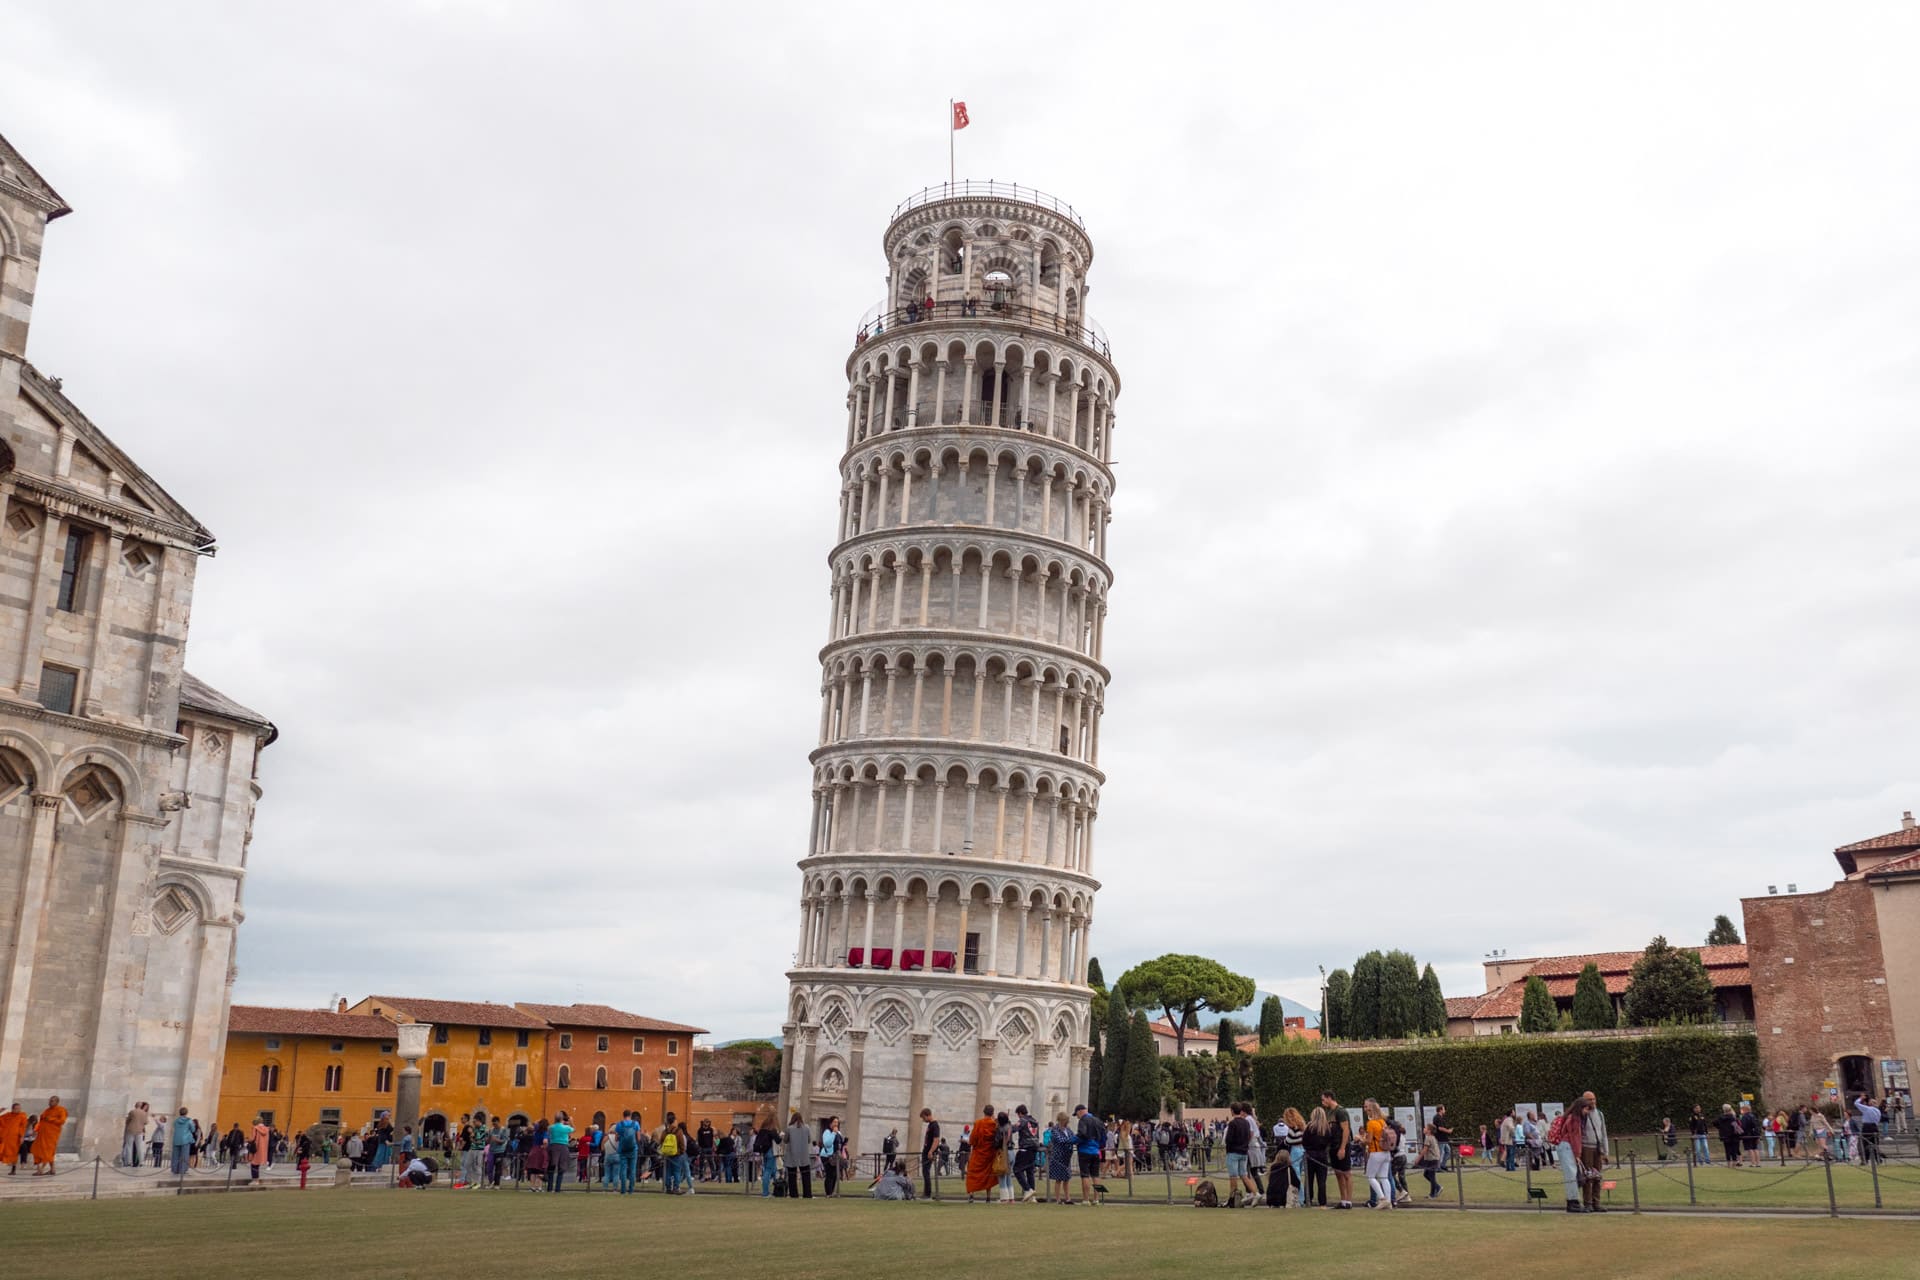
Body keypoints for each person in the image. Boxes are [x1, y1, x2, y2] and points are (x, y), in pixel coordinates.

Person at [1548, 1099, 1585, 1213]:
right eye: (1586, 1109)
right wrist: (1577, 1154)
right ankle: (1573, 1202)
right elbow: (1575, 1137)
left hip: (1564, 1146)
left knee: (1570, 1176)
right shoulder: (1575, 1119)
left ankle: (1572, 1201)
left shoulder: (1568, 1117)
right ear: (1581, 1108)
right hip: (1568, 1146)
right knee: (1571, 1176)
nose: (1587, 1112)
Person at [1321, 1093, 1353, 1208]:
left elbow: (1346, 1130)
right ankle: (1343, 1200)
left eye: (1323, 1099)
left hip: (1342, 1145)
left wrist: (1343, 1148)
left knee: (1346, 1173)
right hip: (1333, 1146)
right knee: (1338, 1173)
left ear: (1329, 1098)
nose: (1322, 1102)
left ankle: (1348, 1202)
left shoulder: (1341, 1111)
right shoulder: (1329, 1112)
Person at [1578, 1091, 1609, 1213]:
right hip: (1586, 1148)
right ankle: (1588, 1203)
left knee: (1597, 1176)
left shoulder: (1600, 1114)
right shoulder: (1582, 1114)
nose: (1592, 1102)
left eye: (1594, 1099)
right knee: (1588, 1177)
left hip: (1598, 1148)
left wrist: (1605, 1151)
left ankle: (1597, 1202)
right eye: (1589, 1099)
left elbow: (1604, 1133)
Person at [1223, 1101, 1257, 1208]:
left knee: (1233, 1176)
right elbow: (1249, 1135)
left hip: (1233, 1152)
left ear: (1232, 1111)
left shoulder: (1232, 1124)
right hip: (1244, 1151)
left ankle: (1233, 1198)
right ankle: (1256, 1193)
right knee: (1244, 1174)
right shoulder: (1246, 1122)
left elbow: (1229, 1139)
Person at [1361, 1100, 1394, 1210]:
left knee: (1370, 1177)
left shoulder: (1371, 1123)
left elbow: (1369, 1140)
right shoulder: (1382, 1122)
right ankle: (1388, 1201)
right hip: (1386, 1152)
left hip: (1376, 1152)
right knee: (1384, 1177)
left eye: (1366, 1108)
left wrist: (1360, 1139)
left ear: (1370, 1110)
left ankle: (1382, 1198)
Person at [965, 1104, 998, 1203]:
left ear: (984, 1112)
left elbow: (972, 1139)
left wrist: (971, 1143)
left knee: (972, 1173)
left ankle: (971, 1195)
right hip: (989, 1154)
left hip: (978, 1153)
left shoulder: (978, 1123)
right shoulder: (994, 1125)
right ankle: (988, 1197)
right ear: (992, 1113)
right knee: (988, 1174)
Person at [1073, 1103, 1105, 1206]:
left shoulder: (1083, 1120)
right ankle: (1097, 1199)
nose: (1077, 1117)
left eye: (1077, 1114)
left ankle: (1086, 1199)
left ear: (1080, 1111)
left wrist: (1073, 1140)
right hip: (1096, 1151)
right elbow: (1103, 1136)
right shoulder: (1098, 1120)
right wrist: (1099, 1146)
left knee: (1085, 1175)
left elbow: (1082, 1134)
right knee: (1096, 1176)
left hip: (1084, 1150)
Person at [30, 1096, 66, 1175]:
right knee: (36, 1150)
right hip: (42, 1134)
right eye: (50, 1101)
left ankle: (41, 1170)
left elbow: (62, 1121)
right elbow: (41, 1121)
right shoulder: (46, 1110)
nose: (50, 1102)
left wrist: (51, 1119)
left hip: (51, 1135)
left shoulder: (61, 1110)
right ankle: (52, 1169)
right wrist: (35, 1130)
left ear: (57, 1102)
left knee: (47, 1152)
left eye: (52, 1101)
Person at [1045, 1111, 1075, 1204]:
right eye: (1066, 1120)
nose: (1067, 1122)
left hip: (1067, 1157)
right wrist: (1071, 1140)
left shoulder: (1068, 1129)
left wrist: (1072, 1140)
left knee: (1066, 1179)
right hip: (1058, 1157)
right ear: (1061, 1120)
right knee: (1058, 1179)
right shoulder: (1054, 1130)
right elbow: (1060, 1140)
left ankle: (1067, 1198)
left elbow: (1073, 1137)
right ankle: (1058, 1199)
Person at [1011, 1104, 1039, 1203]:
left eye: (1018, 1115)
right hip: (1034, 1148)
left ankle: (1027, 1190)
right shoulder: (1035, 1121)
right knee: (1030, 1171)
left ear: (1020, 1113)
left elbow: (1014, 1129)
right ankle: (1032, 1197)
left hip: (1025, 1147)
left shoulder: (1023, 1120)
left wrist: (1008, 1125)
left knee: (1017, 1169)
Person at [784, 1111, 813, 1200]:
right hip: (803, 1154)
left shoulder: (789, 1128)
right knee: (806, 1176)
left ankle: (794, 1194)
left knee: (792, 1176)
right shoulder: (807, 1128)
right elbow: (809, 1140)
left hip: (792, 1154)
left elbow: (785, 1140)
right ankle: (807, 1194)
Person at [546, 1112, 574, 1193]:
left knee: (551, 1167)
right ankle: (558, 1188)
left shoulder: (551, 1127)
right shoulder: (566, 1128)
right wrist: (571, 1122)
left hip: (553, 1146)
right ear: (562, 1119)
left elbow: (549, 1132)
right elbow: (573, 1129)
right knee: (561, 1167)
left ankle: (550, 1187)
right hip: (563, 1146)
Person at [917, 1107, 941, 1199]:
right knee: (925, 1172)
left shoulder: (935, 1125)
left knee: (926, 1172)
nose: (923, 1120)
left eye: (923, 1118)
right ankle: (926, 1192)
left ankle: (927, 1193)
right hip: (926, 1151)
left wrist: (931, 1152)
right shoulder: (930, 1125)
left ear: (927, 1115)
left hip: (929, 1152)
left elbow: (936, 1140)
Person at [1852, 1095, 1883, 1165]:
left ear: (1870, 1103)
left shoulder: (1867, 1109)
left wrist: (1861, 1098)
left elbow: (1856, 1103)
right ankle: (1878, 1159)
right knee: (1875, 1144)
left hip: (1867, 1127)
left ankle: (1865, 1160)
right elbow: (1878, 1120)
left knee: (1864, 1144)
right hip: (1875, 1127)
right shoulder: (1878, 1111)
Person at [1417, 1123, 1444, 1198]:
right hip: (1432, 1158)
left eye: (1425, 1128)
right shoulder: (1432, 1137)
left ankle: (1434, 1192)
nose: (1424, 1129)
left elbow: (1425, 1149)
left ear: (1429, 1130)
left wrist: (1418, 1158)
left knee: (1432, 1176)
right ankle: (1436, 1188)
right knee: (1426, 1174)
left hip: (1432, 1159)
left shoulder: (1428, 1138)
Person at [0, 1103, 27, 1176]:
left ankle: (13, 1169)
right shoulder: (8, 1115)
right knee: (1, 1152)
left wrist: (22, 1137)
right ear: (13, 1109)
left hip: (15, 1138)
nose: (18, 1110)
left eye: (19, 1108)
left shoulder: (22, 1116)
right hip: (5, 1138)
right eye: (16, 1108)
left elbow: (23, 1127)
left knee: (14, 1154)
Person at [819, 1116, 842, 1197]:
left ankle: (832, 1191)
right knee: (829, 1174)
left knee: (835, 1175)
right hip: (827, 1156)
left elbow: (840, 1143)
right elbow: (827, 1143)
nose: (836, 1124)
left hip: (836, 1156)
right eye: (834, 1122)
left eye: (837, 1122)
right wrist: (833, 1133)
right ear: (830, 1123)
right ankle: (828, 1193)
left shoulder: (839, 1133)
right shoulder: (827, 1132)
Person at [122, 1102, 149, 1168]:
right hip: (139, 1131)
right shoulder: (144, 1113)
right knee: (139, 1147)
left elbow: (127, 1121)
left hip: (130, 1130)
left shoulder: (132, 1112)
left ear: (135, 1105)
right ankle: (141, 1162)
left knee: (129, 1146)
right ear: (140, 1106)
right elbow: (146, 1122)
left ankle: (128, 1162)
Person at [170, 1107, 195, 1177]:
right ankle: (183, 1170)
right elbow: (193, 1129)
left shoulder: (176, 1121)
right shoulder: (189, 1121)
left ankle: (175, 1169)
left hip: (176, 1139)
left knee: (175, 1155)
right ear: (186, 1113)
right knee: (184, 1156)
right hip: (185, 1140)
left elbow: (174, 1127)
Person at [248, 1115, 270, 1184]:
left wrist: (248, 1140)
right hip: (263, 1149)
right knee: (257, 1165)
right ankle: (257, 1179)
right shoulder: (266, 1129)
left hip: (255, 1148)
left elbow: (252, 1138)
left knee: (253, 1164)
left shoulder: (255, 1128)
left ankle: (255, 1180)